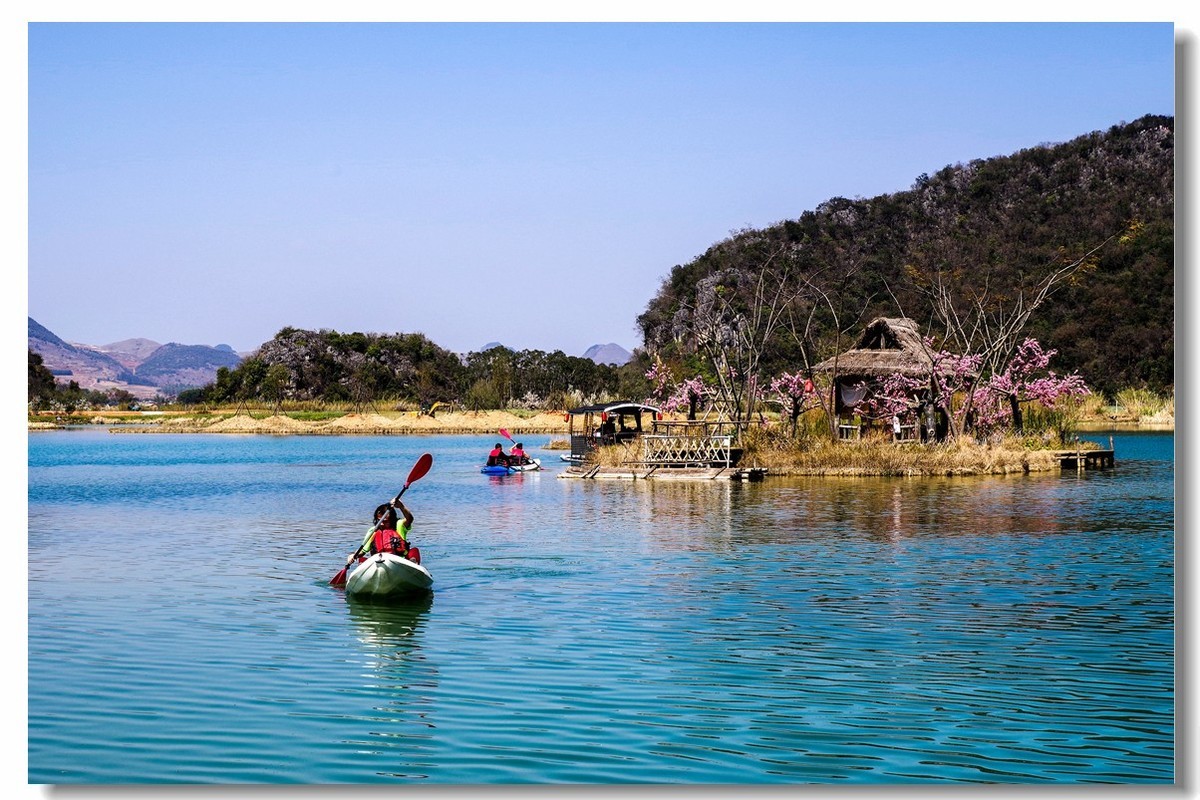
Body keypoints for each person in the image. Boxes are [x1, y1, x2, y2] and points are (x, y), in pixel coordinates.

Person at [351, 499, 415, 562]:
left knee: (413, 553)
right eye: (379, 520)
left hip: (399, 560)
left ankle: (412, 561)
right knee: (361, 560)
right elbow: (363, 551)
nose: (381, 523)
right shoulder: (373, 531)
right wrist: (353, 555)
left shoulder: (399, 525)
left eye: (385, 521)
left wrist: (401, 506)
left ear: (392, 520)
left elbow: (410, 519)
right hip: (379, 560)